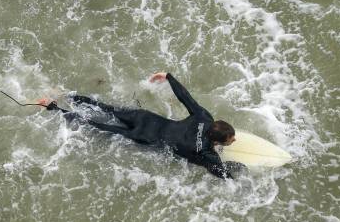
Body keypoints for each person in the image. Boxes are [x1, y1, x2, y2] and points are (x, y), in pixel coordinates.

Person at [38, 72, 239, 179]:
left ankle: (66, 95)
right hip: (143, 136)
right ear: (214, 140)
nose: (234, 140)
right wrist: (236, 172)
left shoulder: (204, 118)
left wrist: (168, 76)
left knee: (106, 109)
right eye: (231, 139)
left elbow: (185, 98)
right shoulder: (207, 154)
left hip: (144, 118)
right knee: (96, 125)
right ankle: (53, 108)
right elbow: (221, 172)